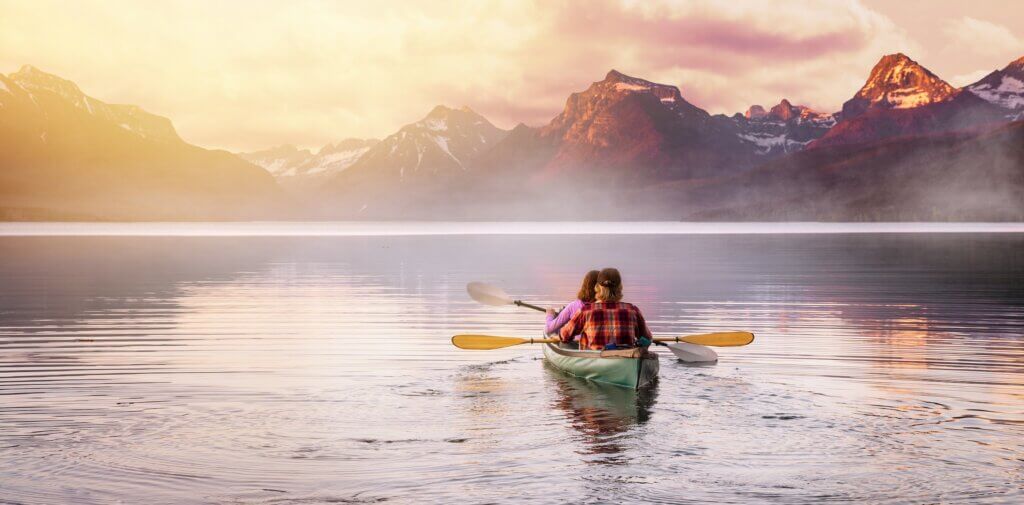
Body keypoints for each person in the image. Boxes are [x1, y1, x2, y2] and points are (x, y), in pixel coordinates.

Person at [558, 268, 653, 351]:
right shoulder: (633, 310)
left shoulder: (586, 311)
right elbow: (647, 339)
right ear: (620, 287)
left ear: (597, 287)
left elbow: (565, 335)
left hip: (594, 360)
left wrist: (561, 334)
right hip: (626, 358)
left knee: (564, 344)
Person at [545, 270, 599, 336]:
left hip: (576, 344)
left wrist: (550, 315)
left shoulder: (574, 306)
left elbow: (548, 329)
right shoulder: (607, 307)